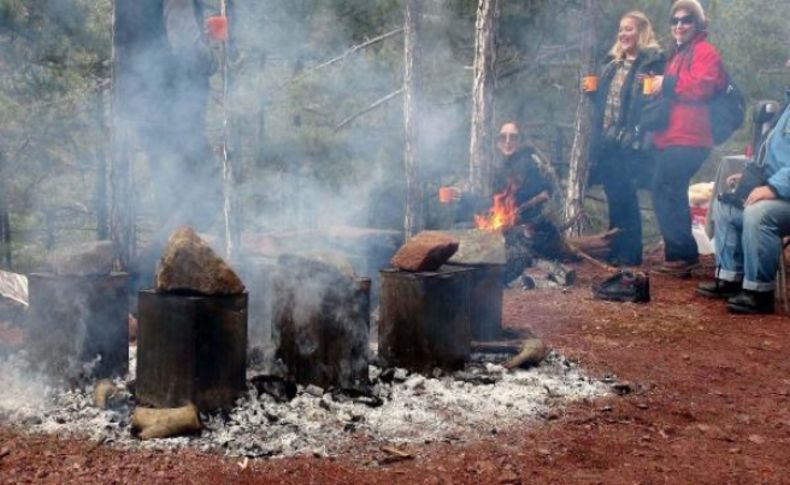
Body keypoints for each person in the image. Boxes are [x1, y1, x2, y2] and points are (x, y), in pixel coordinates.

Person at [649, 0, 726, 276]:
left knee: (665, 186)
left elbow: (703, 87)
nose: (679, 25)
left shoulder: (705, 52)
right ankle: (678, 255)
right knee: (667, 187)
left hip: (692, 136)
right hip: (673, 135)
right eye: (675, 21)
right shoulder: (678, 54)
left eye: (686, 20)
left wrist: (666, 84)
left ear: (698, 24)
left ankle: (683, 255)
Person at [697, 102, 790, 314]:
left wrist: (774, 188)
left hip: (784, 194)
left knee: (758, 213)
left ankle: (759, 293)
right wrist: (749, 176)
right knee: (727, 207)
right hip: (780, 190)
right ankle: (730, 278)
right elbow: (769, 154)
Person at [588, 10, 665, 266]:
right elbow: (605, 103)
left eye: (629, 29)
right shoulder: (612, 64)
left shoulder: (650, 63)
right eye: (621, 29)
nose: (623, 34)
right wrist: (591, 93)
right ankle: (615, 247)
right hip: (608, 141)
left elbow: (653, 106)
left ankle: (631, 254)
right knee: (613, 194)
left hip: (630, 142)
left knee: (626, 196)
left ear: (642, 32)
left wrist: (637, 132)